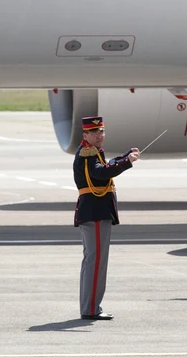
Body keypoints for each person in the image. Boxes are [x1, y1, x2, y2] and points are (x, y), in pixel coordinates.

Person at [74, 116, 139, 320]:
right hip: (95, 213)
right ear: (85, 135)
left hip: (95, 212)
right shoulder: (88, 153)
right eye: (95, 133)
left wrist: (123, 158)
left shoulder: (92, 152)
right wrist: (127, 162)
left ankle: (90, 306)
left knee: (93, 262)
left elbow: (107, 166)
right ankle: (91, 308)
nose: (99, 136)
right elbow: (101, 173)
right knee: (96, 263)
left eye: (101, 132)